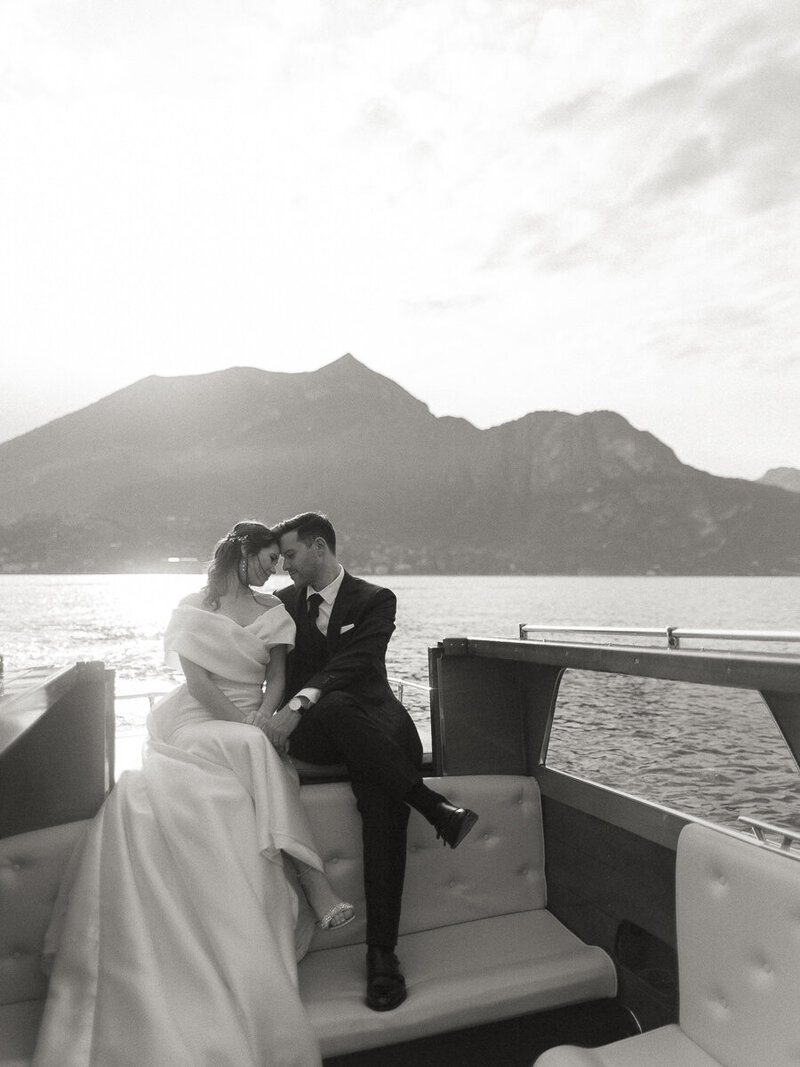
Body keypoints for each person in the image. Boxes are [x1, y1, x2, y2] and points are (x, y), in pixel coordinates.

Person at [33, 521, 352, 1067]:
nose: (275, 568)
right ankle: (315, 882)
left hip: (251, 716)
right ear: (244, 552)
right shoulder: (190, 605)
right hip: (197, 718)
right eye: (269, 557)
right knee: (255, 749)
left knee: (255, 746)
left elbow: (278, 675)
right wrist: (247, 726)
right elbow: (199, 683)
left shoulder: (272, 611)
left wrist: (266, 716)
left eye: (282, 560)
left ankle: (308, 881)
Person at [270, 512, 478, 1013]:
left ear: (319, 548)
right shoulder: (281, 605)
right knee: (335, 706)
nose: (285, 566)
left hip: (375, 723)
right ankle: (431, 805)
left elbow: (357, 661)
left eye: (291, 555)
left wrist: (300, 702)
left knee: (381, 801)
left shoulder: (375, 600)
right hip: (319, 735)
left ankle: (381, 955)